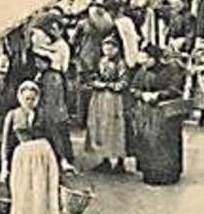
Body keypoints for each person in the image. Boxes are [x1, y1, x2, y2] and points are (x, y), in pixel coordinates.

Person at [2, 80, 65, 214]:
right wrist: (4, 165)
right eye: (26, 98)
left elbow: (56, 138)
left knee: (44, 198)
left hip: (44, 158)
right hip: (23, 159)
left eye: (32, 98)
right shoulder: (13, 116)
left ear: (37, 99)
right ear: (20, 98)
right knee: (24, 198)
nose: (29, 101)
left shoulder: (44, 115)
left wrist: (63, 160)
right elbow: (7, 143)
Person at [130, 45, 188, 186]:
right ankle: (149, 172)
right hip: (146, 113)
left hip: (165, 113)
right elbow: (133, 88)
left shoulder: (170, 71)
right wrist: (141, 94)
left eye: (145, 58)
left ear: (154, 58)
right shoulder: (141, 71)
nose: (142, 61)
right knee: (147, 141)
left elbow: (176, 90)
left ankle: (168, 173)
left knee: (165, 142)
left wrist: (158, 95)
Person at [84, 35, 129, 174]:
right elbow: (94, 77)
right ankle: (105, 159)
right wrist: (96, 83)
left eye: (111, 48)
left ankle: (120, 161)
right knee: (100, 126)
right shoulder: (101, 61)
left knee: (115, 128)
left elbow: (124, 82)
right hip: (99, 98)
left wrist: (110, 85)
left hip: (114, 100)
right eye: (105, 47)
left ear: (116, 49)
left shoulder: (121, 64)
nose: (108, 51)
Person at [28, 27, 74, 167]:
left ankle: (62, 159)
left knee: (55, 133)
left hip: (52, 112)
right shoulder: (45, 75)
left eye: (39, 62)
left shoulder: (52, 77)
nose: (37, 65)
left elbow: (51, 99)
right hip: (52, 111)